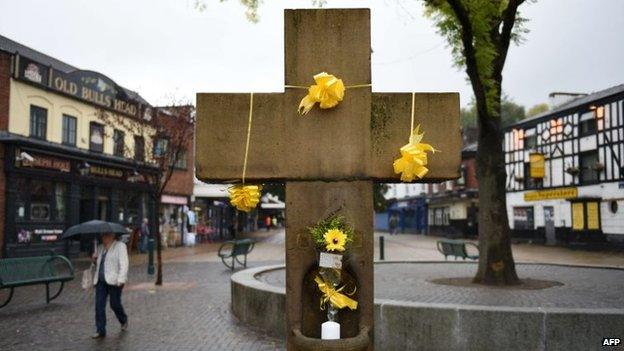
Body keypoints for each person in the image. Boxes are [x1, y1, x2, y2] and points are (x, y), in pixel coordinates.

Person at [91, 232, 129, 339]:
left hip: (115, 281)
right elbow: (99, 264)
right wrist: (94, 260)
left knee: (114, 304)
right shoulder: (100, 247)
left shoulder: (120, 246)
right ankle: (100, 330)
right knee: (99, 305)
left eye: (106, 235)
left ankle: (123, 319)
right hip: (101, 281)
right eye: (102, 235)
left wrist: (121, 279)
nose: (104, 237)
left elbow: (124, 264)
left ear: (113, 236)